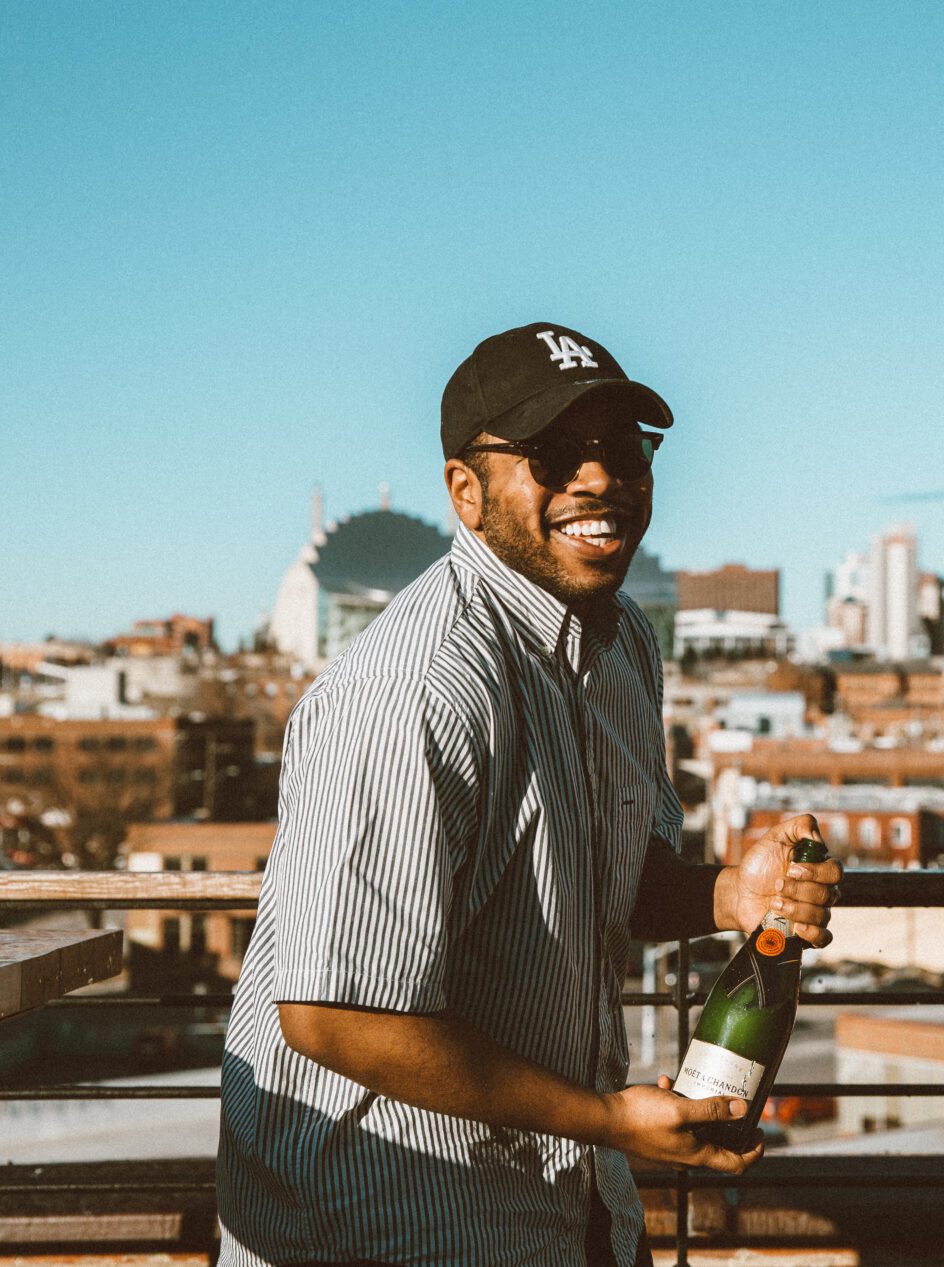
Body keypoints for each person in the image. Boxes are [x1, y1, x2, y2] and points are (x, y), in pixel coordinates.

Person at [217, 322, 843, 1267]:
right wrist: (605, 1118)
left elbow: (604, 882)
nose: (598, 478)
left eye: (621, 448)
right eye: (554, 454)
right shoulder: (417, 689)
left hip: (560, 1209)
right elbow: (333, 1011)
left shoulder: (622, 643)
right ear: (465, 493)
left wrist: (731, 895)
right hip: (390, 1225)